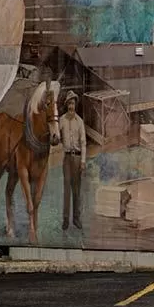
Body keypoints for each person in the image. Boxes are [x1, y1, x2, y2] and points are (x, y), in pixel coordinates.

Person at [59, 91, 87, 231]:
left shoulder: (79, 121)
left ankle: (76, 218)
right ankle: (65, 220)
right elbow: (56, 136)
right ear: (66, 105)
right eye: (69, 103)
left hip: (77, 158)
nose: (71, 106)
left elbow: (83, 143)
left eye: (73, 103)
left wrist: (83, 161)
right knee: (66, 189)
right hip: (67, 159)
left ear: (75, 105)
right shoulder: (62, 120)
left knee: (76, 190)